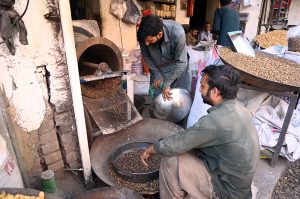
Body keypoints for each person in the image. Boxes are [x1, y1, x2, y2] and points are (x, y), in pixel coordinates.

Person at [141, 65, 259, 199]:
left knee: (170, 161)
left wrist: (152, 148)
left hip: (225, 191)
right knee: (189, 150)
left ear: (215, 92)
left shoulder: (217, 121)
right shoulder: (239, 108)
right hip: (238, 184)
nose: (199, 90)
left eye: (202, 86)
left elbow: (178, 144)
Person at [137, 15, 191, 100]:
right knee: (158, 97)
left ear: (159, 34)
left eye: (150, 41)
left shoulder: (177, 33)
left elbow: (182, 62)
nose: (146, 44)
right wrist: (157, 76)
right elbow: (146, 57)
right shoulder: (144, 36)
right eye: (145, 41)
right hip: (157, 69)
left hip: (176, 68)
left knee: (177, 98)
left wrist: (167, 83)